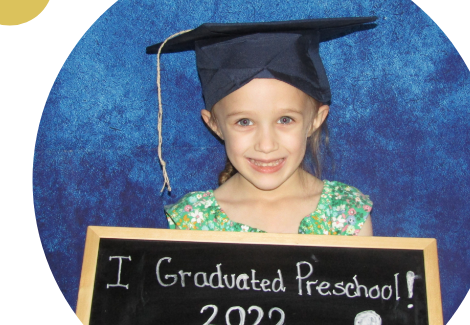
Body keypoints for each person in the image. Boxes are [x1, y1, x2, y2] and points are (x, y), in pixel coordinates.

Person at [146, 18, 376, 235]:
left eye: (285, 120)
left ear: (315, 120)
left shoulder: (346, 215)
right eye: (244, 122)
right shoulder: (193, 221)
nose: (266, 145)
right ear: (214, 125)